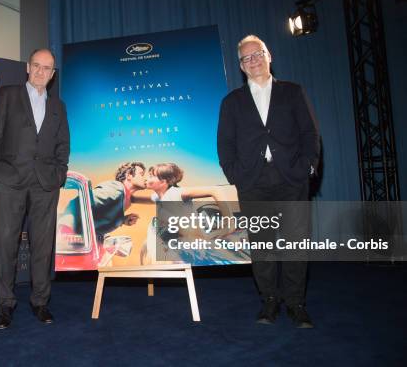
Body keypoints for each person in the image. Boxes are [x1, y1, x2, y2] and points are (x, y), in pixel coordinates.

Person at [217, 35, 320, 328]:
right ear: (241, 65)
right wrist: (234, 174)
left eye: (257, 54)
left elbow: (310, 134)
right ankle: (270, 302)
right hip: (253, 182)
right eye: (246, 58)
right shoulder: (232, 102)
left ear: (269, 55)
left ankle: (296, 304)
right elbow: (225, 143)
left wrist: (308, 167)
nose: (253, 60)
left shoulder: (293, 92)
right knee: (262, 246)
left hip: (291, 178)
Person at [0, 48, 70, 329]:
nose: (41, 71)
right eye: (36, 65)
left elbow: (62, 145)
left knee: (43, 247)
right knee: (5, 245)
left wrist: (59, 174)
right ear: (27, 67)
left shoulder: (59, 106)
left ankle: (40, 302)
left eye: (47, 68)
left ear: (53, 73)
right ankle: (5, 305)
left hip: (45, 184)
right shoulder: (8, 94)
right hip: (8, 182)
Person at [137, 163, 237, 264]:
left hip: (195, 248)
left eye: (151, 176)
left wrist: (230, 222)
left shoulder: (177, 193)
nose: (146, 178)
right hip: (178, 245)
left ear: (163, 181)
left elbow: (215, 190)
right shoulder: (157, 197)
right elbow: (133, 199)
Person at [91, 162, 146, 242]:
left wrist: (122, 219)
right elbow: (85, 203)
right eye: (141, 174)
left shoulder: (123, 196)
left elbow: (98, 217)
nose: (145, 178)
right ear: (129, 175)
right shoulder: (116, 189)